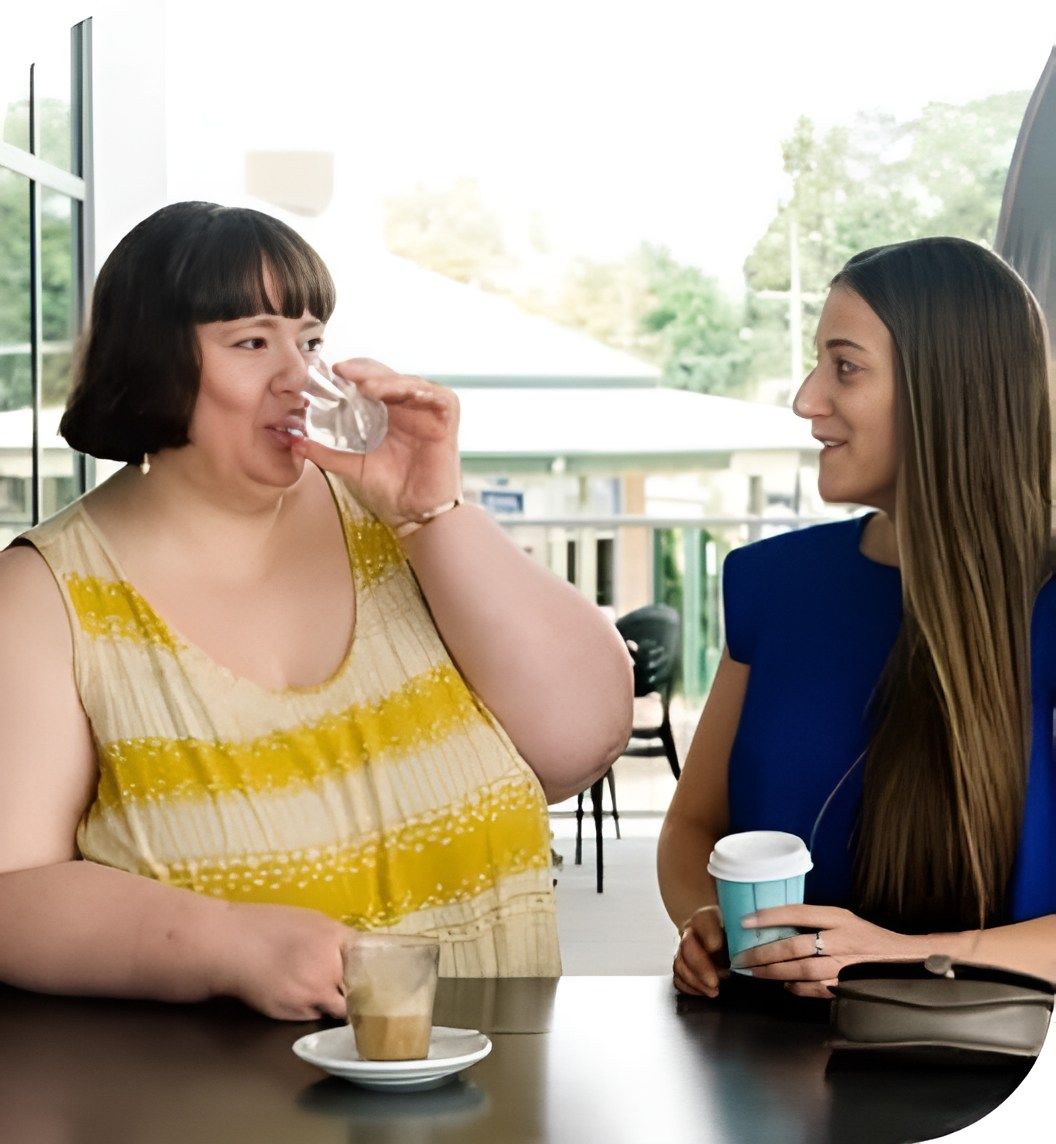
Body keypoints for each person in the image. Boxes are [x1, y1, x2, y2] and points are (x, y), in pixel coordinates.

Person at [0, 201, 633, 1020]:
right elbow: (11, 891)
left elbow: (579, 742)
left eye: (310, 340)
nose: (300, 377)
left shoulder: (393, 526)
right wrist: (225, 940)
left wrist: (432, 515)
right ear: (154, 361)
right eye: (252, 342)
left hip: (490, 1089)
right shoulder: (44, 595)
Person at [658, 236, 1056, 1000]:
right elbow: (690, 829)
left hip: (997, 1078)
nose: (808, 398)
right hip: (762, 1067)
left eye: (845, 367)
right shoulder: (771, 583)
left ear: (949, 390)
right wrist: (704, 916)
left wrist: (909, 956)